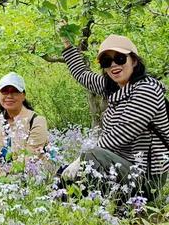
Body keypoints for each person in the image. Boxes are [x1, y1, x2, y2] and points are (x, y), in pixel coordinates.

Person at [60, 34, 169, 200]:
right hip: (120, 170)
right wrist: (67, 44)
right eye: (106, 62)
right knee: (62, 176)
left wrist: (79, 161)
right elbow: (82, 75)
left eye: (119, 58)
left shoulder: (148, 90)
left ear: (134, 60)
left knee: (90, 157)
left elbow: (120, 134)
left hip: (145, 180)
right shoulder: (113, 88)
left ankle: (104, 206)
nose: (113, 65)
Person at [0, 72, 49, 168]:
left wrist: (2, 172)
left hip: (29, 179)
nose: (9, 96)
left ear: (23, 95)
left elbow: (29, 160)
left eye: (14, 91)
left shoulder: (36, 121)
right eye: (4, 91)